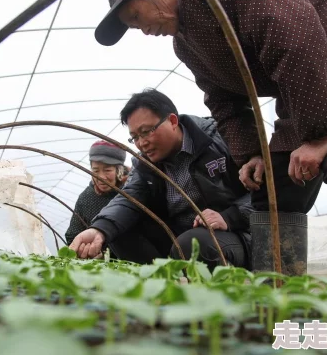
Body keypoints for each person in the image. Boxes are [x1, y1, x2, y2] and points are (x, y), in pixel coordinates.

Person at [94, 0, 327, 286]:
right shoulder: (186, 43)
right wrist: (249, 155)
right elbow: (222, 98)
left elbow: (295, 36)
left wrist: (316, 135)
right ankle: (279, 299)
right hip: (302, 81)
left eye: (137, 17)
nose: (144, 30)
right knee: (273, 191)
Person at [69, 89, 254, 270]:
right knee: (118, 231)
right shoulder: (146, 165)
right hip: (177, 237)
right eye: (135, 137)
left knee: (193, 243)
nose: (142, 143)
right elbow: (129, 199)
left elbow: (268, 190)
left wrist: (229, 216)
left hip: (233, 233)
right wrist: (100, 229)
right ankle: (161, 288)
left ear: (173, 120)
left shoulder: (220, 139)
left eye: (146, 131)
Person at [64, 140, 128, 245]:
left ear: (119, 170)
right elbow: (72, 235)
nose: (101, 177)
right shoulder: (86, 198)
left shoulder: (131, 194)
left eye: (107, 170)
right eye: (96, 171)